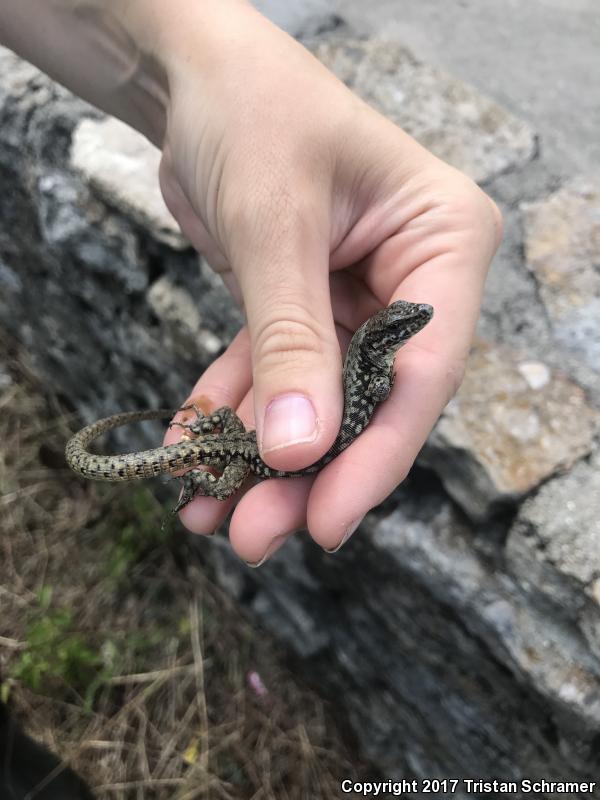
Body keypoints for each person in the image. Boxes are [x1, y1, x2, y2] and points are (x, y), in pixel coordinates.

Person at [0, 0, 502, 566]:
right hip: (246, 450)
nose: (414, 321)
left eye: (406, 321)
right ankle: (200, 480)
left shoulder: (372, 362)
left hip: (235, 437)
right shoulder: (374, 366)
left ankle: (201, 451)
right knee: (222, 489)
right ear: (382, 338)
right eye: (404, 322)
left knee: (244, 472)